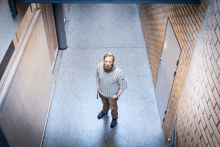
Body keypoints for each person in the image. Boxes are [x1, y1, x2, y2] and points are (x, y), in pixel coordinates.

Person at [96, 53, 127, 128]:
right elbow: (97, 76)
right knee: (104, 103)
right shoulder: (99, 66)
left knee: (113, 108)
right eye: (106, 61)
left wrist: (117, 95)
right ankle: (104, 111)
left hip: (112, 95)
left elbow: (123, 86)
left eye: (110, 62)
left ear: (113, 62)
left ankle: (114, 118)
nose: (107, 63)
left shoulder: (119, 73)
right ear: (103, 61)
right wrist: (97, 85)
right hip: (102, 93)